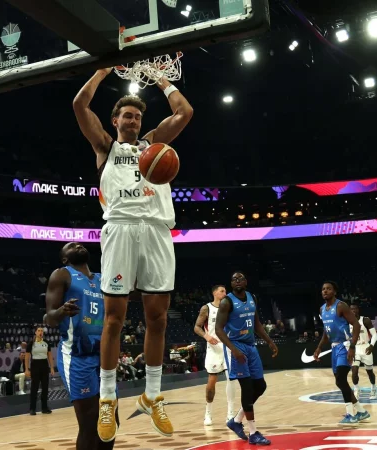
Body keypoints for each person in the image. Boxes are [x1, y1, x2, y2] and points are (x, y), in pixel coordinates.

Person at [73, 66, 194, 442]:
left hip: (158, 230)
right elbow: (80, 104)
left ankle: (152, 394)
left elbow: (184, 113)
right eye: (127, 115)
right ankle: (108, 399)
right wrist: (102, 69)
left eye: (138, 115)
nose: (133, 119)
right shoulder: (105, 147)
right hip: (121, 230)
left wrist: (160, 78)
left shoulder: (154, 143)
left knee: (157, 318)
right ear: (115, 120)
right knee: (114, 319)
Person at [43, 242, 118, 450]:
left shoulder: (104, 278)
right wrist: (62, 311)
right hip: (77, 355)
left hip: (103, 357)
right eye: (71, 246)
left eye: (79, 244)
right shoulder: (62, 274)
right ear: (65, 258)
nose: (77, 245)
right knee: (90, 423)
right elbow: (48, 318)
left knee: (111, 422)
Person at [214, 272, 278, 445]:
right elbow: (218, 329)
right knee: (247, 389)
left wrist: (270, 341)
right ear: (231, 283)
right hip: (236, 346)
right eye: (234, 279)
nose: (237, 281)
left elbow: (256, 323)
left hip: (250, 346)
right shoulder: (227, 302)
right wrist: (233, 349)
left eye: (240, 278)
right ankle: (253, 432)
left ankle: (236, 421)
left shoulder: (252, 297)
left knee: (261, 386)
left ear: (246, 282)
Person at [314, 281, 371, 424]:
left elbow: (356, 325)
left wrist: (352, 346)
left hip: (345, 346)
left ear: (334, 292)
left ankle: (350, 415)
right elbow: (327, 332)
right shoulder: (322, 310)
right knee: (340, 382)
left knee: (340, 379)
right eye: (323, 289)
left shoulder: (341, 306)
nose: (325, 291)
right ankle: (361, 411)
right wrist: (319, 347)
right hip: (334, 348)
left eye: (328, 289)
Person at [193, 284, 237, 426]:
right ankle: (208, 412)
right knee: (211, 383)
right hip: (213, 348)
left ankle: (230, 413)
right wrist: (207, 337)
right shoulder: (207, 308)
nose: (225, 293)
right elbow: (197, 327)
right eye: (222, 291)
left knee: (231, 380)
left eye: (225, 291)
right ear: (214, 293)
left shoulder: (230, 308)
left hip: (228, 347)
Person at [349, 304, 377, 400]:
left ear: (358, 309)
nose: (353, 310)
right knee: (354, 371)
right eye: (351, 309)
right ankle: (356, 389)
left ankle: (373, 387)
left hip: (365, 346)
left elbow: (374, 335)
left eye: (355, 308)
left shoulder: (365, 320)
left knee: (369, 372)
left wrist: (371, 345)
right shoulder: (347, 321)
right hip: (355, 348)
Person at [26, 326, 54, 415]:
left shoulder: (46, 343)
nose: (40, 332)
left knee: (45, 388)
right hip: (35, 366)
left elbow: (49, 356)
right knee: (34, 388)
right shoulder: (31, 343)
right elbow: (27, 357)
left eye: (42, 331)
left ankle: (44, 408)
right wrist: (27, 369)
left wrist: (52, 367)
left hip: (44, 365)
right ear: (35, 332)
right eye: (38, 331)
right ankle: (32, 409)